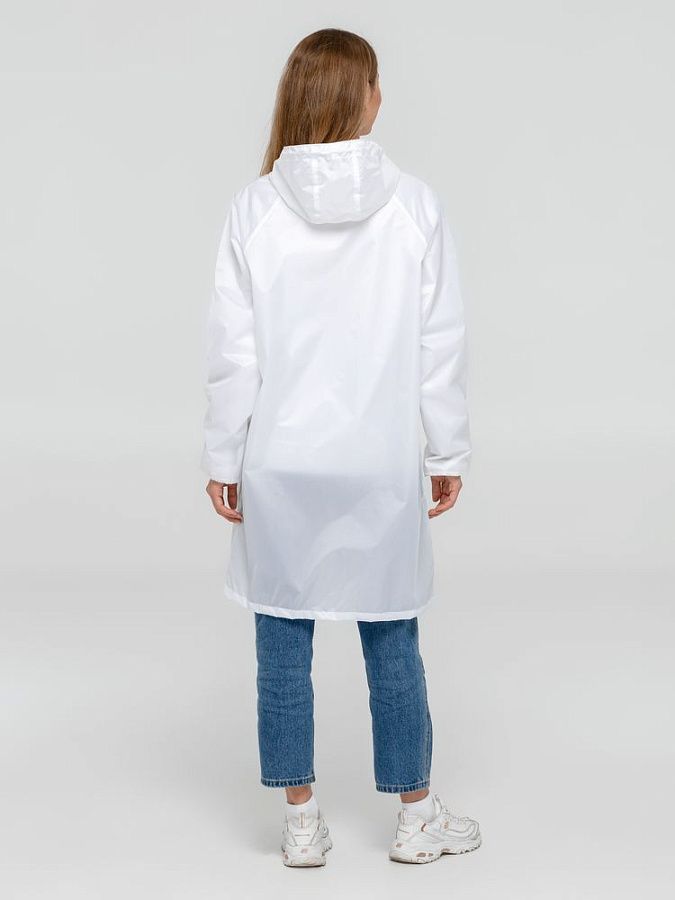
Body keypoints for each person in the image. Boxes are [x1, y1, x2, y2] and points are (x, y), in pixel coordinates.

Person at [201, 27, 481, 867]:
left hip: (280, 461)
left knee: (281, 643)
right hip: (378, 460)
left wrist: (223, 457)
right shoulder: (413, 205)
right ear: (366, 98)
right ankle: (415, 817)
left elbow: (234, 353)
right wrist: (445, 451)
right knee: (390, 635)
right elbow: (439, 341)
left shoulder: (254, 209)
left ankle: (300, 824)